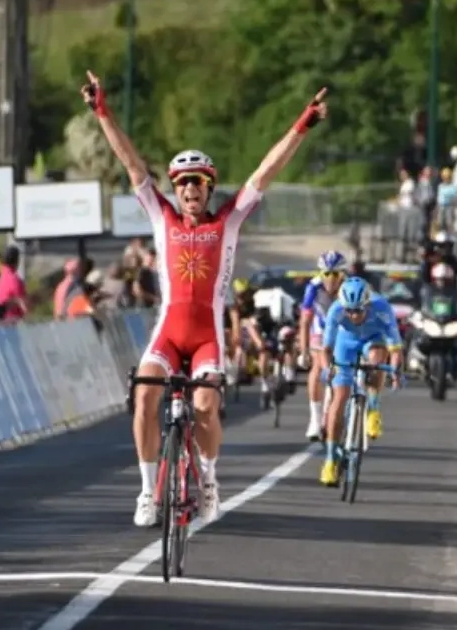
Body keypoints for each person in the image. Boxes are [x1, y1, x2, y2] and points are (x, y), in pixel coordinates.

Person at [82, 68, 328, 527]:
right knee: (144, 397)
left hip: (207, 338)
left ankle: (209, 480)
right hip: (169, 332)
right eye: (182, 183)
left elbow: (265, 172)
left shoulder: (227, 221)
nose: (190, 189)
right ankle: (147, 491)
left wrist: (301, 125)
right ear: (175, 190)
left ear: (209, 188)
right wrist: (102, 111)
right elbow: (132, 164)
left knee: (204, 408)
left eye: (197, 182)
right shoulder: (162, 217)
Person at [319, 277, 403, 486]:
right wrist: (328, 369)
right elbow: (326, 349)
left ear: (368, 305)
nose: (354, 315)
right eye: (349, 311)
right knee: (340, 397)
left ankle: (373, 408)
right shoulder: (336, 310)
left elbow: (395, 349)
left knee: (377, 359)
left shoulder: (382, 307)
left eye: (359, 310)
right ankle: (330, 459)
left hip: (372, 340)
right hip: (345, 344)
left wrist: (394, 371)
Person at [298, 250, 348, 441]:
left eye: (335, 274)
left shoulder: (349, 286)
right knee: (319, 365)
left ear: (342, 274)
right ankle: (315, 418)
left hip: (342, 329)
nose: (330, 278)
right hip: (320, 329)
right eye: (326, 273)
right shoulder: (313, 287)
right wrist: (303, 351)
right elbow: (305, 320)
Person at [409, 262, 457, 380]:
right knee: (415, 331)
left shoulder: (456, 293)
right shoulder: (426, 291)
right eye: (439, 279)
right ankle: (413, 358)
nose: (442, 282)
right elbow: (419, 303)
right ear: (434, 279)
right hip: (432, 321)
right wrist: (416, 312)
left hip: (449, 322)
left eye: (445, 280)